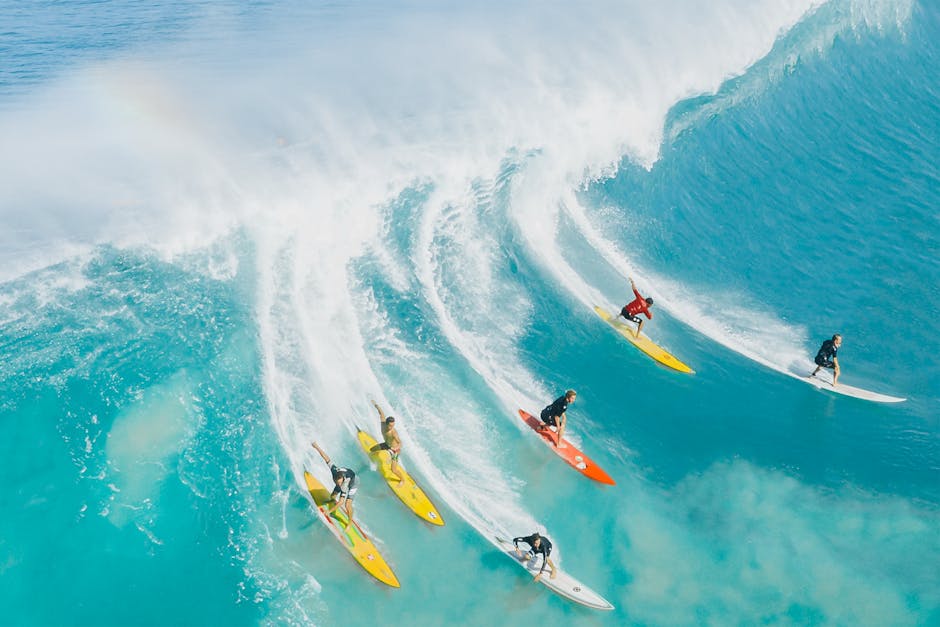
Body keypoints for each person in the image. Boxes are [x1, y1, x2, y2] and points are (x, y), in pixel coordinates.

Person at [310, 441, 358, 524]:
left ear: (342, 479)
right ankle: (333, 501)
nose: (339, 484)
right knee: (332, 497)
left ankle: (349, 523)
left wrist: (329, 511)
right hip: (344, 476)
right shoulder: (334, 471)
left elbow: (341, 502)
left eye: (340, 483)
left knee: (347, 505)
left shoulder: (344, 484)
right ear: (335, 478)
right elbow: (326, 458)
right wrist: (316, 446)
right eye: (337, 482)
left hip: (354, 481)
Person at [369, 400, 406, 484]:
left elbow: (400, 443)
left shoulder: (394, 433)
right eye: (390, 425)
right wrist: (376, 404)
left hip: (394, 451)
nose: (392, 427)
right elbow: (381, 413)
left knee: (393, 469)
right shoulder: (383, 423)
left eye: (393, 425)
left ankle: (402, 480)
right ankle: (378, 457)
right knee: (372, 450)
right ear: (386, 423)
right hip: (386, 445)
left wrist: (395, 448)